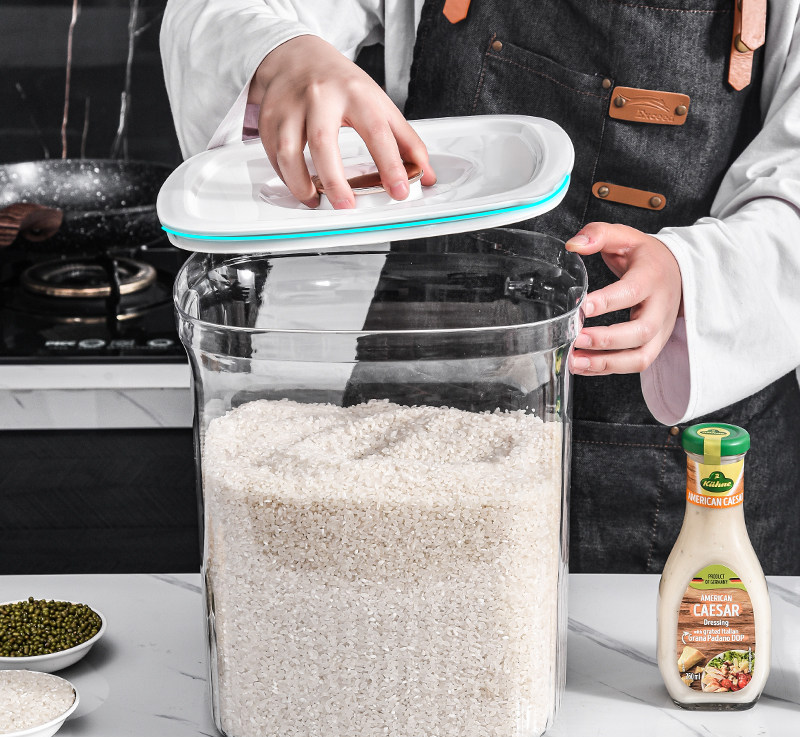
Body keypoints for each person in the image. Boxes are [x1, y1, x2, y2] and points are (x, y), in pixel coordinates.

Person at [160, 1, 800, 573]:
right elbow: (216, 12)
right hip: (411, 406)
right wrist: (282, 54)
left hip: (694, 445)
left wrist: (691, 273)